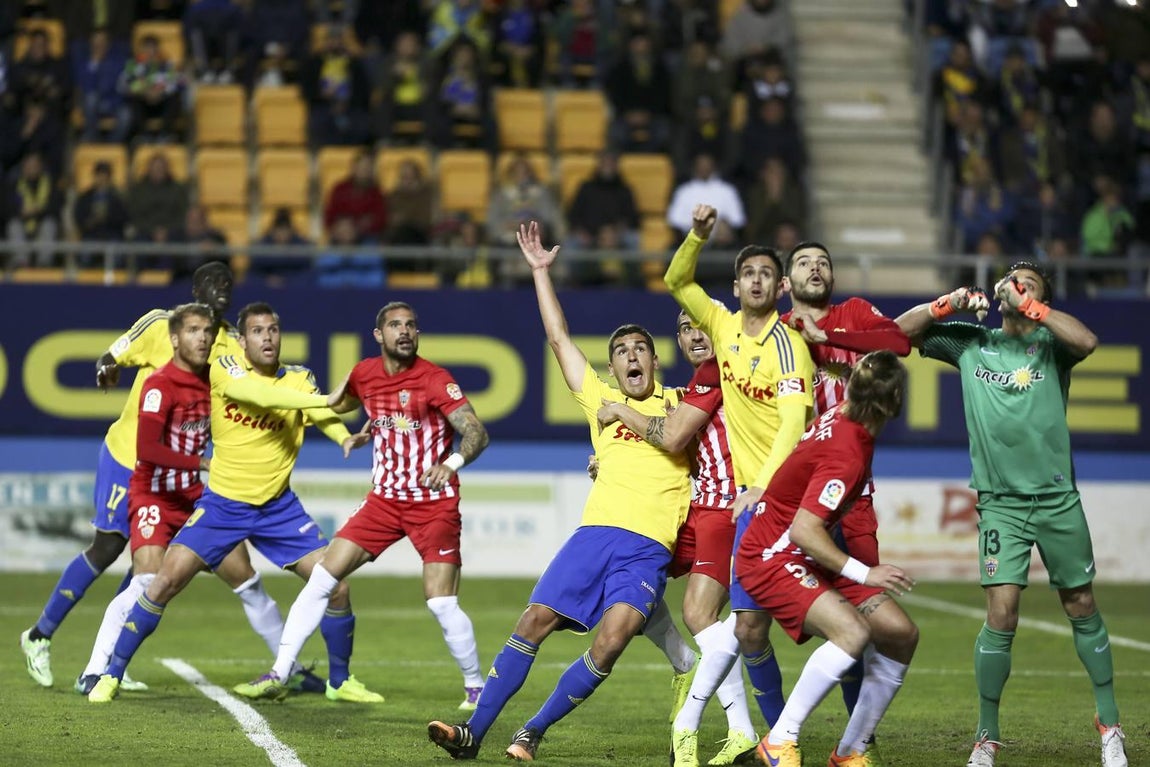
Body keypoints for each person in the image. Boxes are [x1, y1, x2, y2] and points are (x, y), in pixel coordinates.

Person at [426, 221, 692, 760]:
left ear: (656, 360)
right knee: (533, 621)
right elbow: (559, 339)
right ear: (613, 366)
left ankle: (534, 731)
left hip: (647, 547)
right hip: (593, 536)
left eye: (641, 348)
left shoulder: (686, 403)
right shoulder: (599, 404)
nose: (632, 356)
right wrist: (540, 273)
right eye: (621, 351)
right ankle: (474, 732)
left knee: (612, 641)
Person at [19, 264, 311, 695]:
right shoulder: (164, 326)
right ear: (194, 290)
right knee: (109, 548)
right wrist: (107, 367)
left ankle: (291, 670)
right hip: (134, 460)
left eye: (229, 284)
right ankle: (42, 637)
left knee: (232, 572)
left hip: (189, 478)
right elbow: (113, 354)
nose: (222, 290)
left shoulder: (230, 343)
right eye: (213, 283)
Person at [895, 263, 1128, 767]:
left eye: (1030, 285)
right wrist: (948, 303)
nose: (1017, 289)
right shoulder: (972, 344)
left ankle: (1109, 724)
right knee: (1001, 614)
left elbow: (1087, 341)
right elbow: (898, 334)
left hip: (1057, 499)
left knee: (1081, 604)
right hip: (1000, 504)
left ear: (1037, 298)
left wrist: (1033, 308)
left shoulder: (1051, 344)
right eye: (1013, 282)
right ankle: (986, 736)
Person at [88, 302, 378, 703]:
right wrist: (328, 399)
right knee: (163, 582)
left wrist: (342, 436)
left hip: (278, 509)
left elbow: (319, 416)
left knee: (337, 587)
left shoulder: (299, 379)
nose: (268, 338)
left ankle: (340, 680)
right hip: (222, 505)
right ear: (243, 340)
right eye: (258, 332)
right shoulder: (226, 368)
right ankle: (111, 674)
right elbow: (253, 394)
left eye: (273, 330)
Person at [234, 301, 490, 709]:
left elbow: (476, 432)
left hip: (433, 504)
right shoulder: (364, 375)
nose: (403, 331)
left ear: (417, 333)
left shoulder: (435, 379)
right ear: (379, 335)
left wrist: (452, 462)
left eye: (410, 325)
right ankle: (280, 671)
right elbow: (337, 403)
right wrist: (349, 431)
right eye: (394, 325)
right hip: (384, 502)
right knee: (323, 577)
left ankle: (476, 687)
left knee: (441, 602)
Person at [663, 204, 814, 736]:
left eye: (766, 274)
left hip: (786, 498)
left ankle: (846, 736)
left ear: (780, 289)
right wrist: (697, 236)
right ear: (735, 285)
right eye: (748, 272)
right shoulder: (722, 328)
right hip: (757, 504)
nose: (756, 280)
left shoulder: (789, 347)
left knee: (844, 624)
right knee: (748, 629)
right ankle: (772, 735)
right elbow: (676, 278)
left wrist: (759, 485)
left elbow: (793, 425)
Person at [735, 350, 918, 767]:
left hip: (798, 550)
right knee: (852, 633)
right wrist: (863, 571)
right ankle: (779, 741)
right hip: (774, 554)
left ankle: (850, 752)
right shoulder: (848, 454)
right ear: (892, 405)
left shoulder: (841, 414)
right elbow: (804, 530)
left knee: (901, 634)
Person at [597, 310, 759, 767]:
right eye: (686, 328)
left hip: (729, 508)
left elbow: (669, 438)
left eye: (702, 325)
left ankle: (717, 725)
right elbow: (682, 450)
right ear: (679, 342)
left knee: (698, 612)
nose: (695, 335)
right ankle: (689, 668)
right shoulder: (694, 390)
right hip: (698, 509)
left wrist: (619, 410)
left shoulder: (734, 374)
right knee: (632, 572)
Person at [781, 242, 912, 719]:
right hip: (788, 497)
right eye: (803, 262)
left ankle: (859, 739)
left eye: (823, 262)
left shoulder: (853, 314)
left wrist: (826, 332)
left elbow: (897, 343)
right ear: (784, 283)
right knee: (749, 622)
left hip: (852, 495)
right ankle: (766, 731)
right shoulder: (774, 334)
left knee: (866, 618)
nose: (815, 268)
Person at [76, 303, 214, 692]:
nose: (202, 338)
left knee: (246, 580)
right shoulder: (160, 385)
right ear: (174, 339)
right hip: (153, 493)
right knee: (146, 582)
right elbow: (148, 449)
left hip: (192, 498)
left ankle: (285, 666)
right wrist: (201, 462)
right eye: (192, 331)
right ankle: (95, 670)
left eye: (207, 331)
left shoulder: (215, 383)